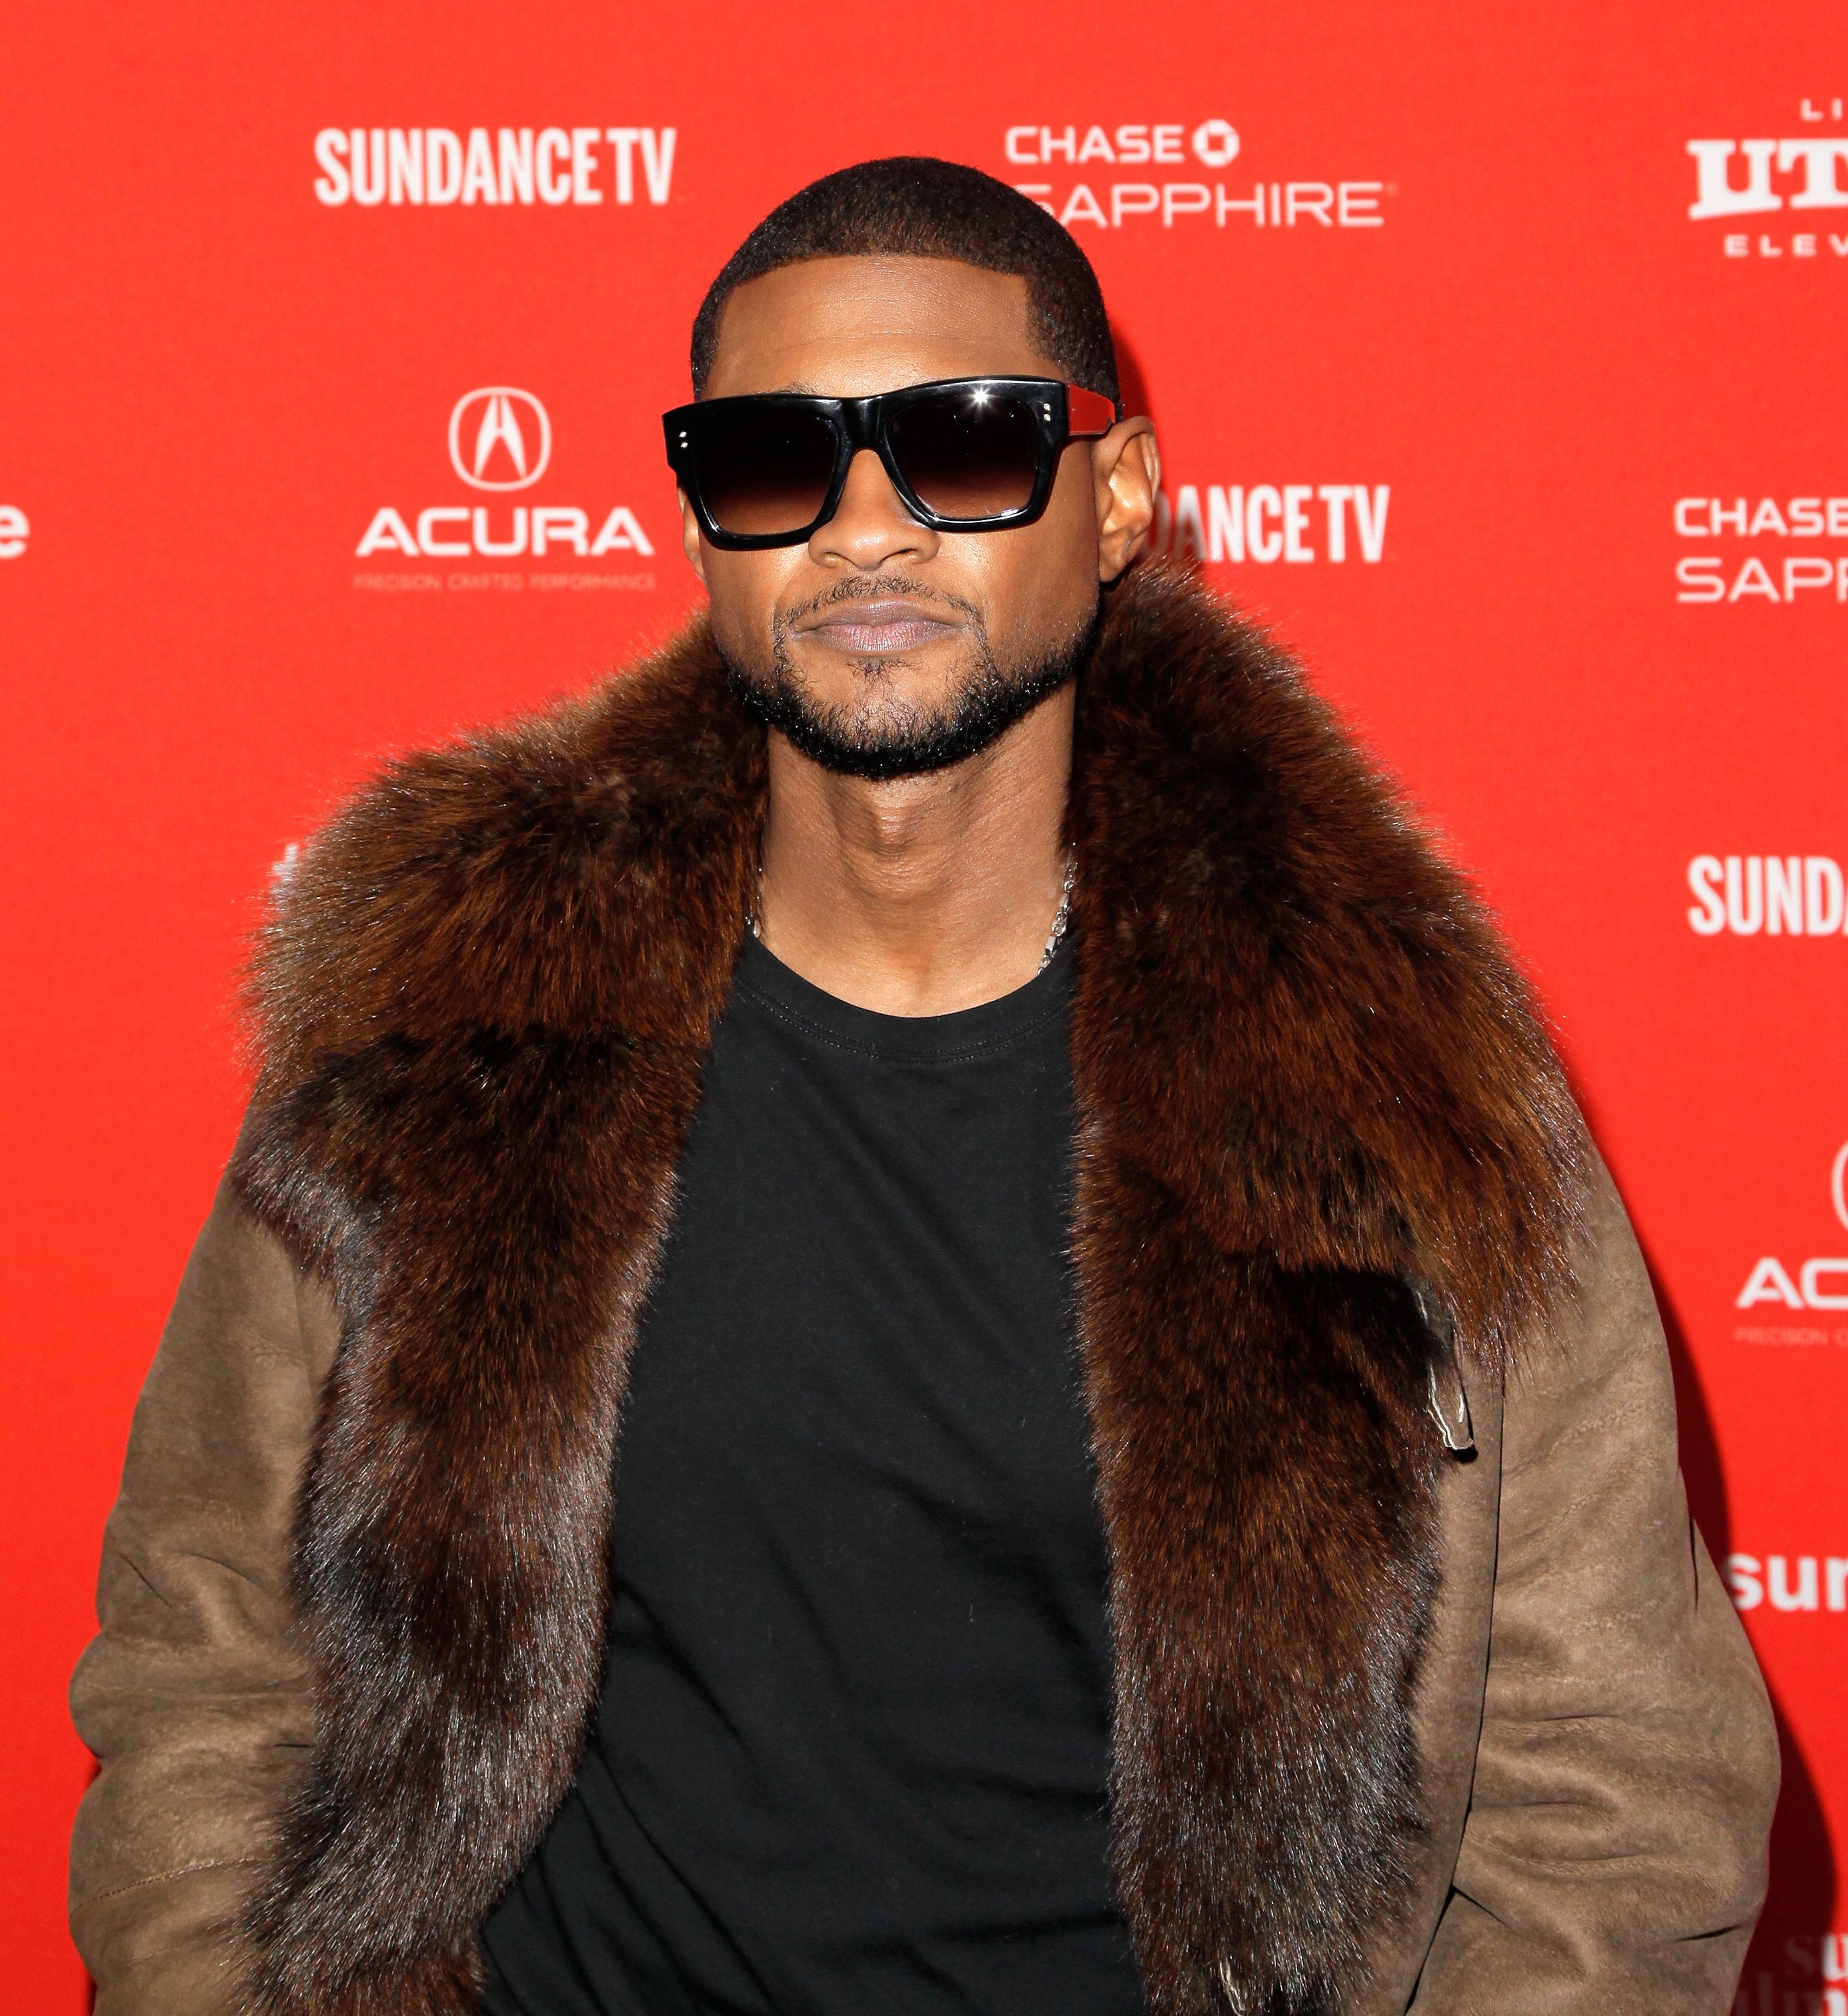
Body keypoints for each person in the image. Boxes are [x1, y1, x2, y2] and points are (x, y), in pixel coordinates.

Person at [70, 157, 1777, 2016]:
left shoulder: (1386, 1063)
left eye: (964, 446)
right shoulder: (453, 1028)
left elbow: (1614, 1782)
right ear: (706, 517)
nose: (866, 531)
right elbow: (205, 1657)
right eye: (777, 458)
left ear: (1113, 498)